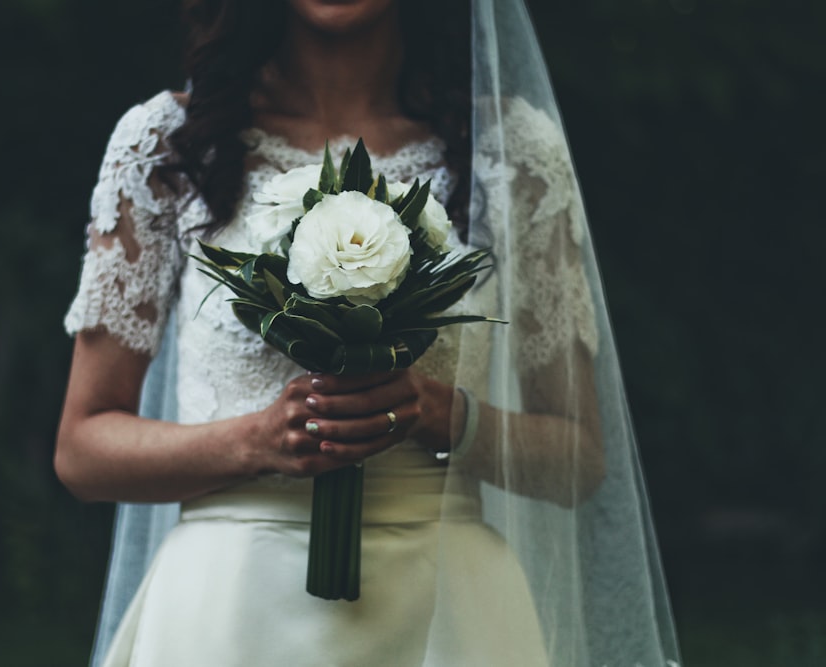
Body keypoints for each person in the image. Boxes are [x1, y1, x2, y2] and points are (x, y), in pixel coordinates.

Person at [57, 1, 681, 665]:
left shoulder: (510, 151)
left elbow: (578, 454)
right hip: (230, 609)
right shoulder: (170, 144)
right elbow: (84, 446)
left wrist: (442, 414)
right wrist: (256, 440)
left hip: (448, 606)